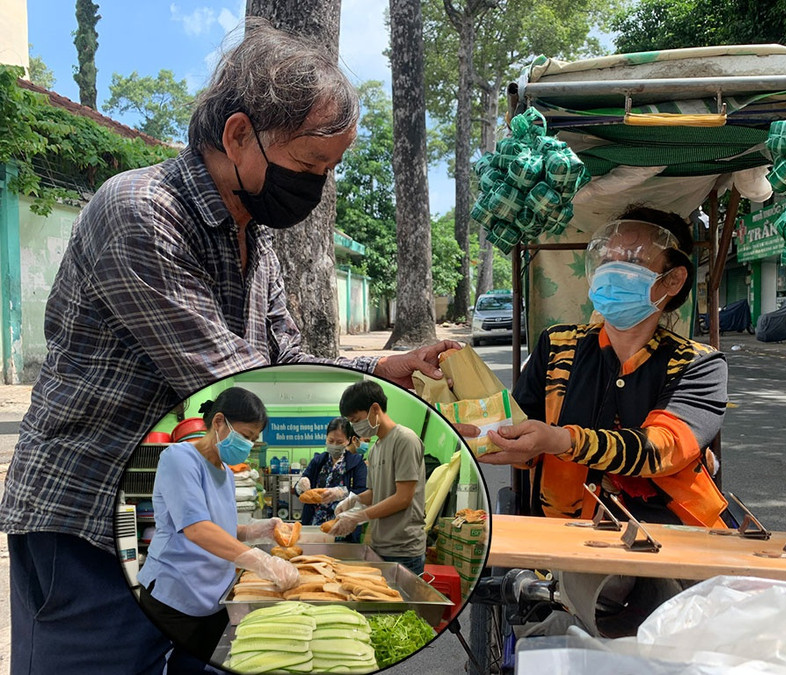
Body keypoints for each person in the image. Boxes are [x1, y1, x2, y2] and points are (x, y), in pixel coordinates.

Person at [0, 18, 457, 675]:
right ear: (239, 134)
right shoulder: (140, 213)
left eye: (329, 170)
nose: (317, 187)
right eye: (308, 164)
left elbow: (285, 359)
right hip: (91, 526)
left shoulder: (255, 236)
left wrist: (381, 367)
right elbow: (234, 380)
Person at [480, 207, 731, 529]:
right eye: (606, 260)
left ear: (673, 279)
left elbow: (663, 448)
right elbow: (526, 433)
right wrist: (496, 440)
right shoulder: (557, 345)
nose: (612, 271)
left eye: (633, 261)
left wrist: (561, 440)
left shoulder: (698, 363)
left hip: (669, 532)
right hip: (563, 528)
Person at [137, 387, 299, 667]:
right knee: (170, 665)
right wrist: (261, 561)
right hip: (176, 594)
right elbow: (197, 529)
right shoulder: (180, 459)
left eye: (253, 439)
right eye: (246, 436)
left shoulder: (223, 470)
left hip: (215, 594)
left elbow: (218, 525)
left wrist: (254, 530)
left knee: (202, 663)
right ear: (219, 422)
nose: (248, 445)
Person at [330, 380, 427, 575]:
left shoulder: (405, 440)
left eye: (356, 420)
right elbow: (375, 493)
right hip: (380, 545)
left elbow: (403, 498)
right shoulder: (375, 449)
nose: (355, 427)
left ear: (375, 409)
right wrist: (353, 500)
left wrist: (359, 517)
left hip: (404, 550)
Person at [295, 417, 367, 532]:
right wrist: (300, 485)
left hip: (343, 526)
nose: (334, 445)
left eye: (339, 442)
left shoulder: (356, 463)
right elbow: (300, 490)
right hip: (314, 526)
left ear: (348, 440)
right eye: (331, 441)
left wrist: (342, 492)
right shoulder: (318, 461)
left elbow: (363, 492)